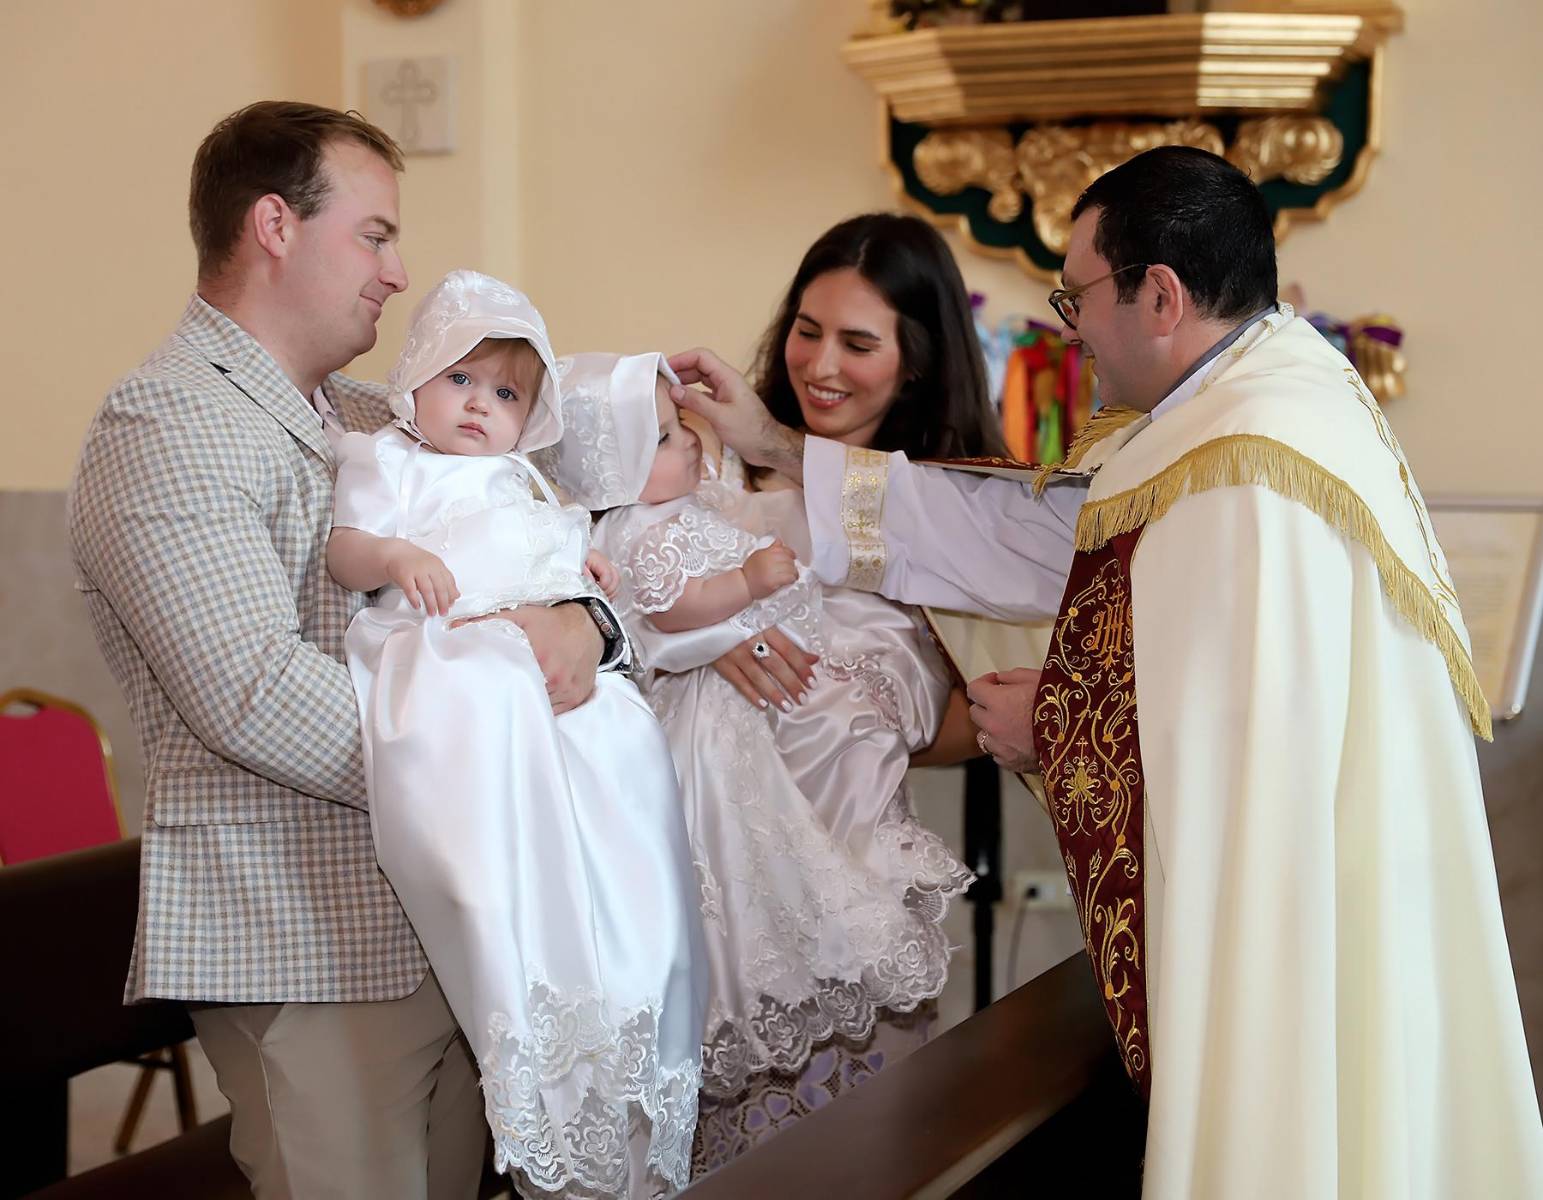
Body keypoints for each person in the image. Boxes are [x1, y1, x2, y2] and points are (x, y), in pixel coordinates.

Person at [671, 152, 1543, 1198]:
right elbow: (1016, 535)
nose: (1066, 326)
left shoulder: (1246, 469)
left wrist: (1056, 724)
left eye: (1075, 295)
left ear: (1160, 295)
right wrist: (768, 444)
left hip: (1298, 910)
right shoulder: (1241, 417)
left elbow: (1246, 747)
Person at [68, 102, 615, 1199]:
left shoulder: (392, 413)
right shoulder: (166, 420)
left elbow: (563, 554)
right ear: (275, 223)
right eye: (374, 234)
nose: (397, 270)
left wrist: (585, 627)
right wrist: (509, 765)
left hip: (449, 920)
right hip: (305, 935)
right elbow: (254, 691)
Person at [540, 350, 972, 1174]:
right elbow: (667, 605)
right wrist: (743, 590)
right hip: (716, 735)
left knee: (800, 891)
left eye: (681, 429)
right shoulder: (639, 524)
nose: (692, 446)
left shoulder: (692, 501)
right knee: (752, 881)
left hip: (795, 731)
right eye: (666, 437)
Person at [328, 273, 707, 1199]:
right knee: (499, 725)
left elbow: (558, 552)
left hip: (548, 666)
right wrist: (394, 556)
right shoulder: (388, 458)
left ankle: (628, 987)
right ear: (415, 377)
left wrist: (581, 564)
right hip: (454, 645)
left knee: (627, 746)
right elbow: (346, 547)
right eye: (461, 380)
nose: (479, 407)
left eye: (505, 395)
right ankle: (535, 992)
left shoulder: (521, 476)